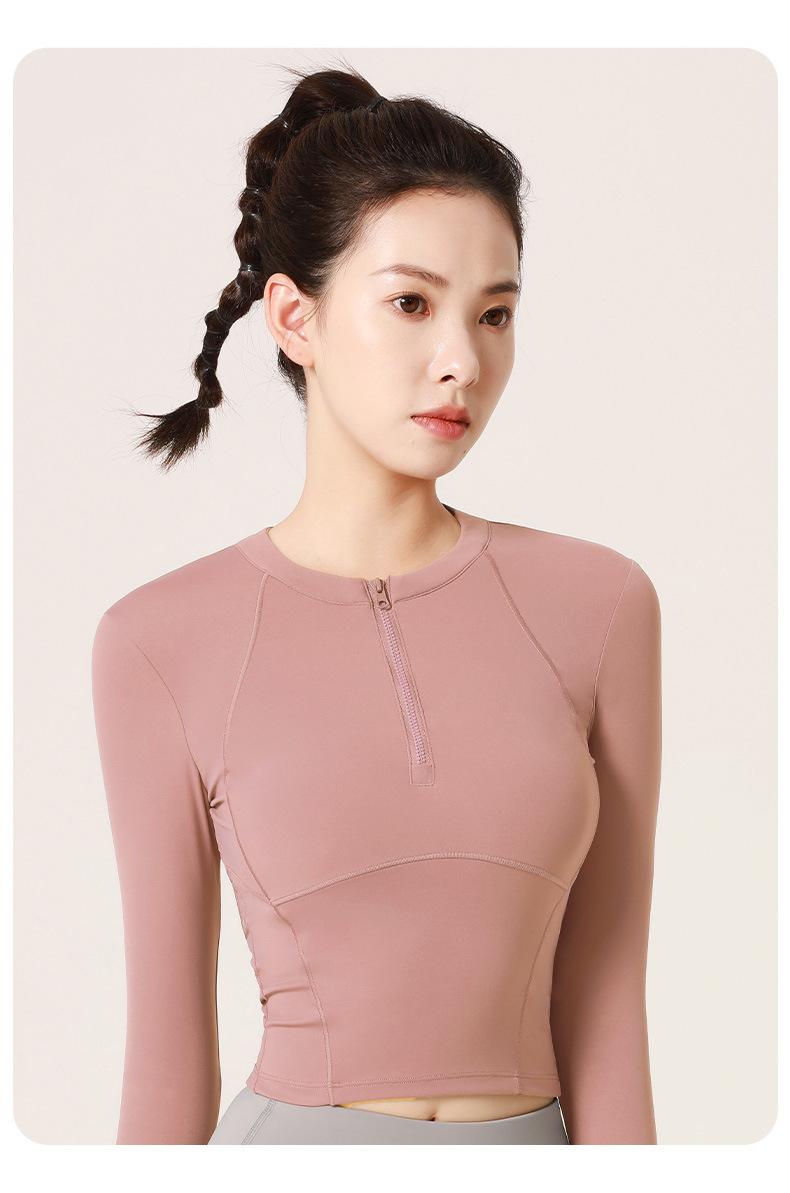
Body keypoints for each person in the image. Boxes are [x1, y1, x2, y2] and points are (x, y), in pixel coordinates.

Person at [91, 63, 662, 1145]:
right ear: (294, 317)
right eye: (410, 303)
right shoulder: (157, 640)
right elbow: (165, 1056)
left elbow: (607, 1005)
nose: (462, 361)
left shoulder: (602, 604)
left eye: (495, 314)